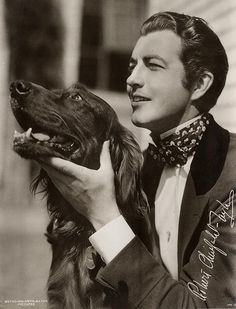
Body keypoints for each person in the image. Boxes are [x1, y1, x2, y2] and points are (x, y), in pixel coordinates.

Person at [41, 12, 236, 308]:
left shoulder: (232, 175)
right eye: (132, 66)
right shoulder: (139, 168)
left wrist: (105, 215)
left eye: (152, 66)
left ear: (199, 84)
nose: (132, 79)